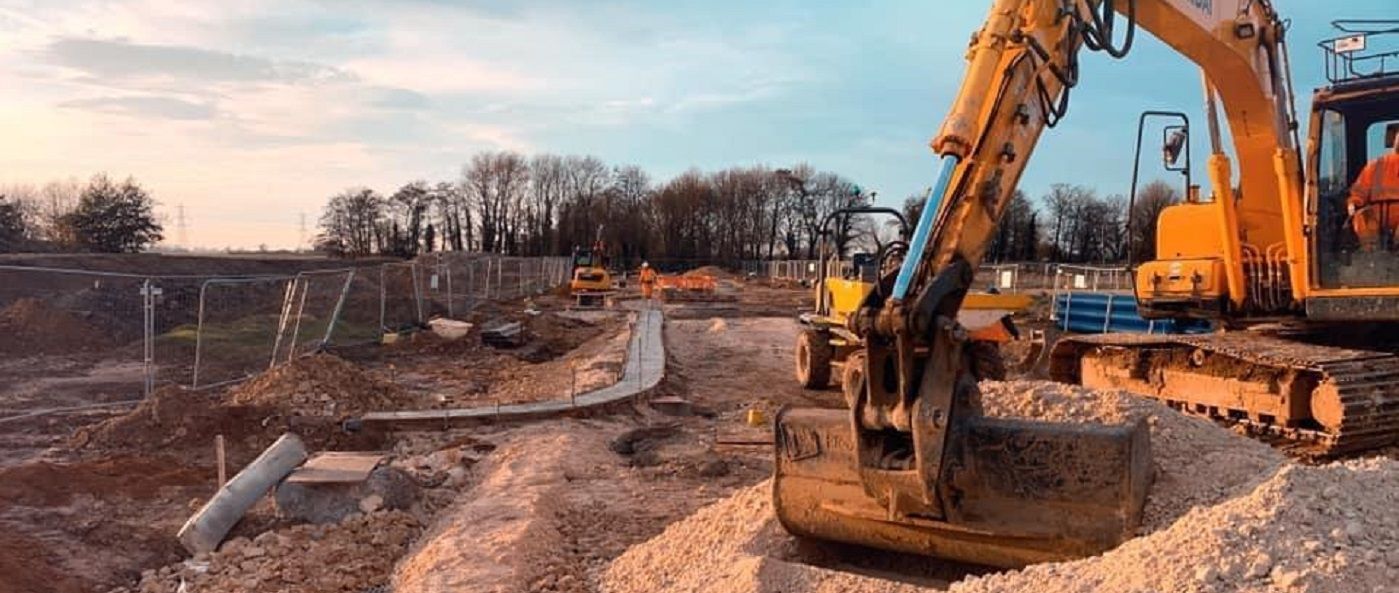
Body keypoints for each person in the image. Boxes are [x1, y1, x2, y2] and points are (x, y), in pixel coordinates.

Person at [1349, 129, 1399, 250]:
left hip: (1377, 236)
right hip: (1379, 233)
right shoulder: (1376, 167)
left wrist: (1353, 205)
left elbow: (1357, 197)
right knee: (1362, 216)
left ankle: (1372, 254)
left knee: (1361, 217)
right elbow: (1356, 198)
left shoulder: (1375, 166)